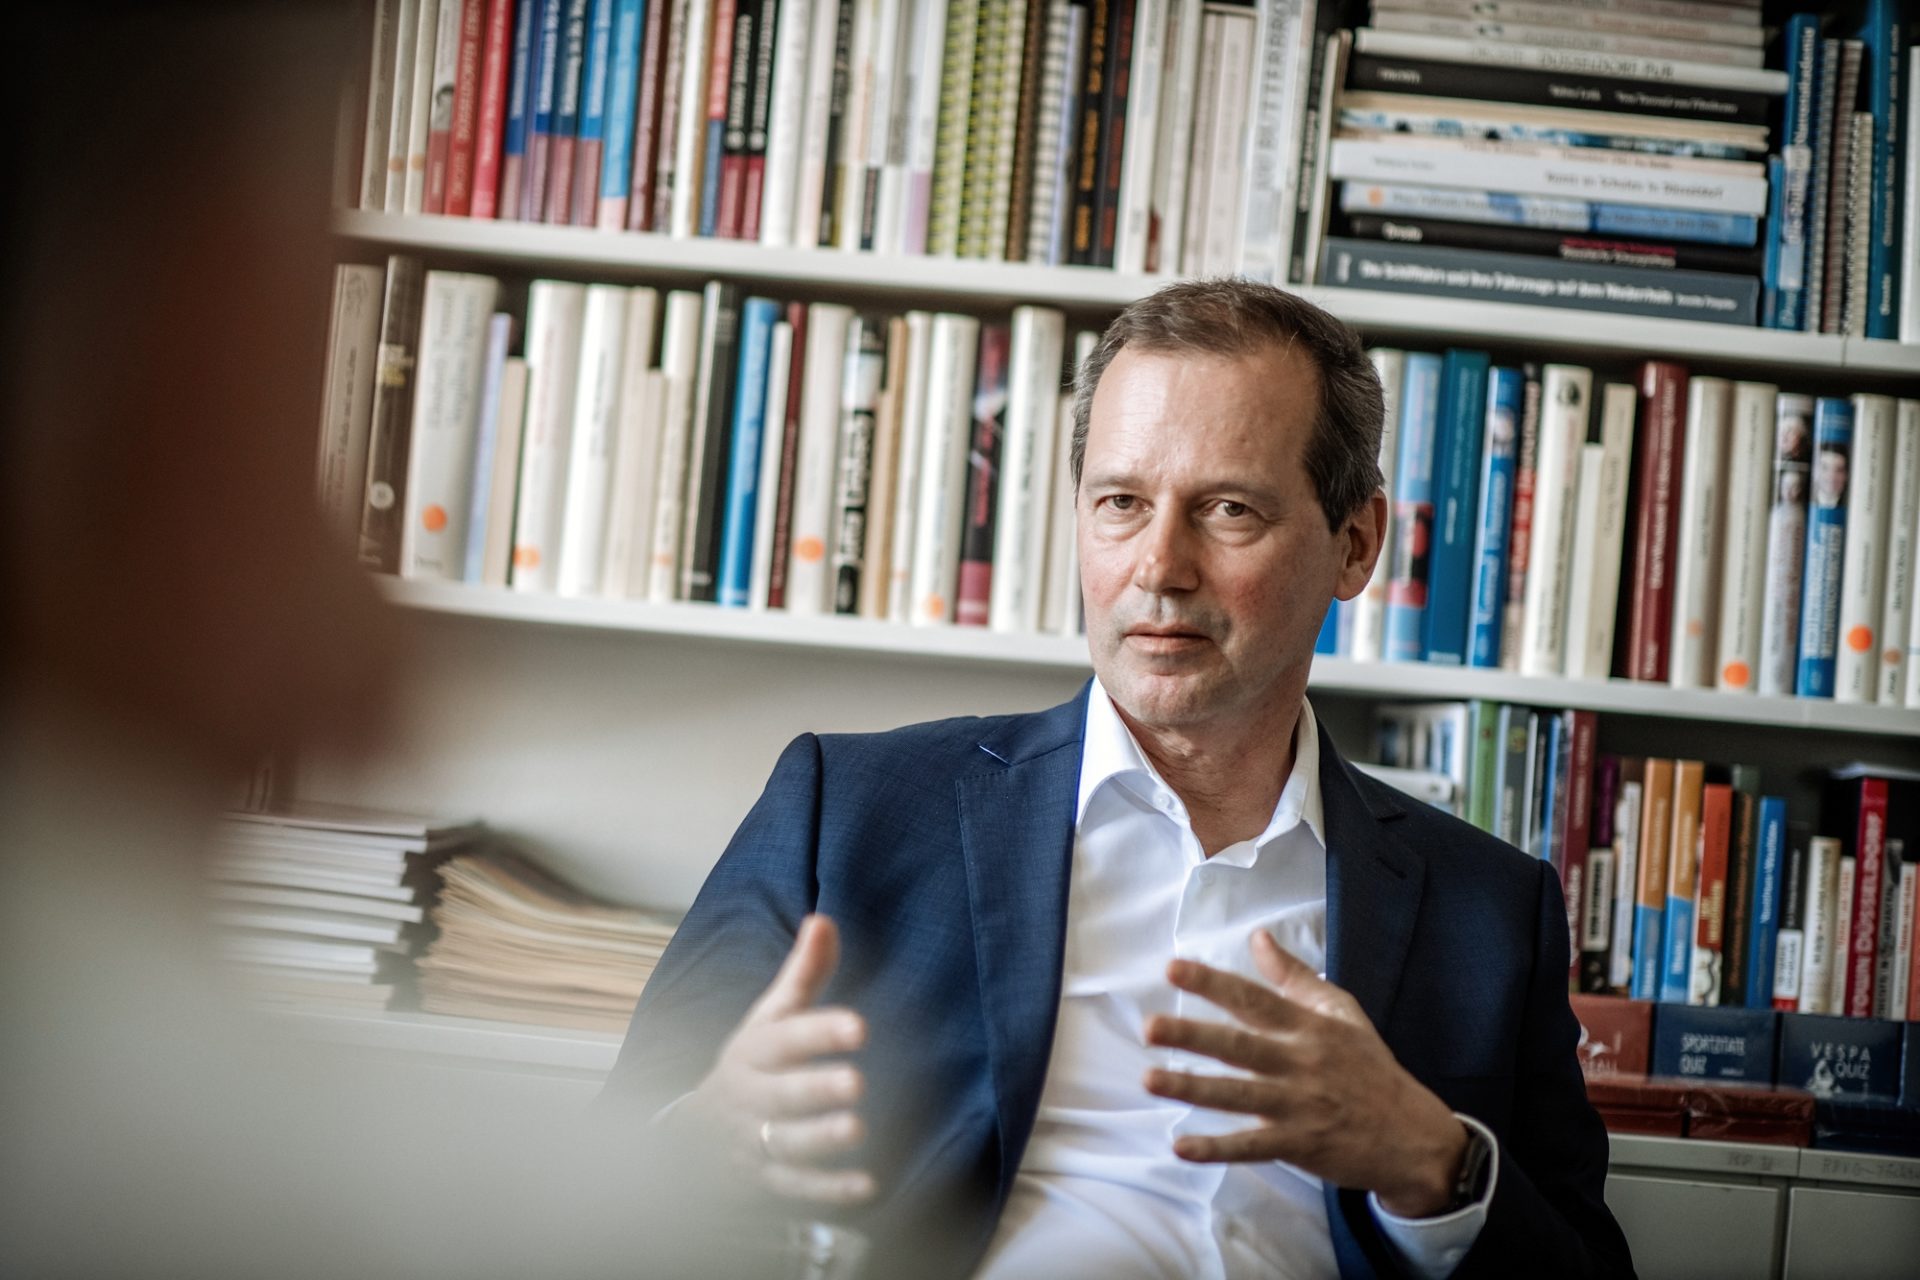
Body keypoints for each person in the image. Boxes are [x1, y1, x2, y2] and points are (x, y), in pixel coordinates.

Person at [608, 281, 1636, 1278]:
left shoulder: (1491, 910)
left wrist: (1432, 1159)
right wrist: (706, 1140)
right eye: (1121, 501)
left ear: (1354, 544)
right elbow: (603, 1173)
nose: (1159, 564)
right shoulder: (849, 809)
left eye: (1228, 509)